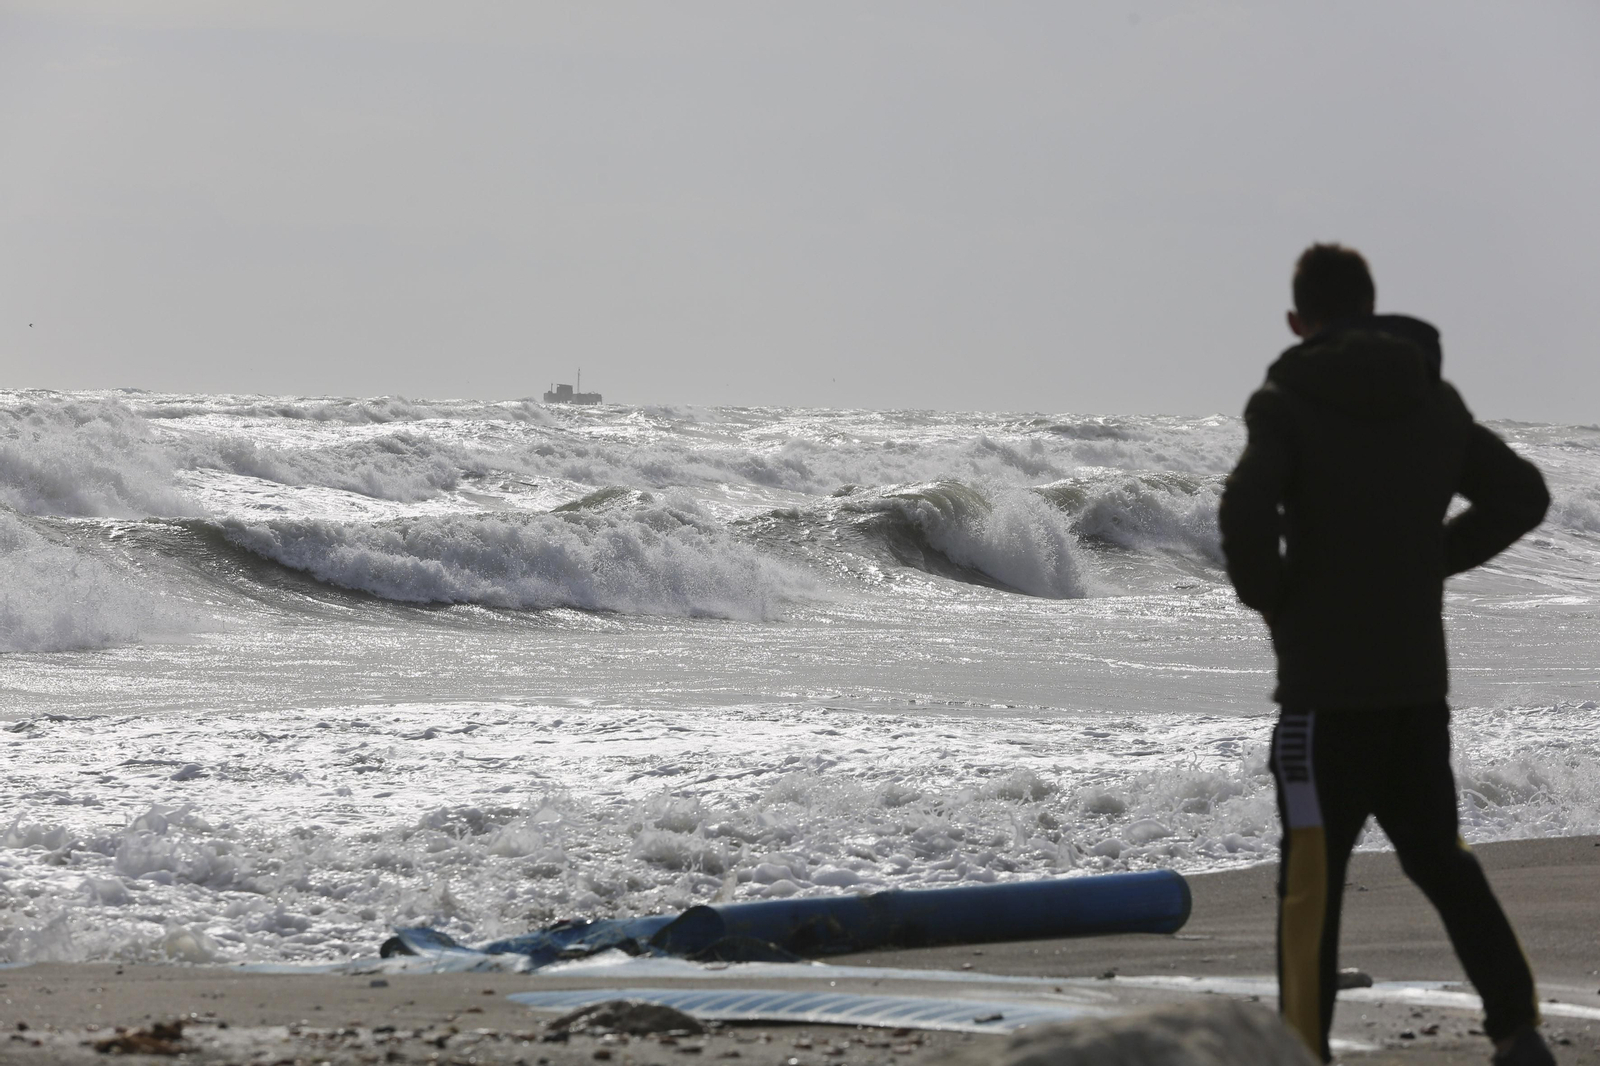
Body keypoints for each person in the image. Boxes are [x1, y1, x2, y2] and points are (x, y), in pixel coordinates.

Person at [1218, 244, 1554, 1065]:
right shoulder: (1433, 399)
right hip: (1414, 692)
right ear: (1371, 307)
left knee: (1311, 887)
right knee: (1443, 861)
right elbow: (1523, 494)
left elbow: (1244, 504)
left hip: (1322, 701)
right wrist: (1432, 557)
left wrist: (1275, 596)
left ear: (1298, 320)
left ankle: (1303, 1052)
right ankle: (1517, 1029)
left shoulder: (1287, 401)